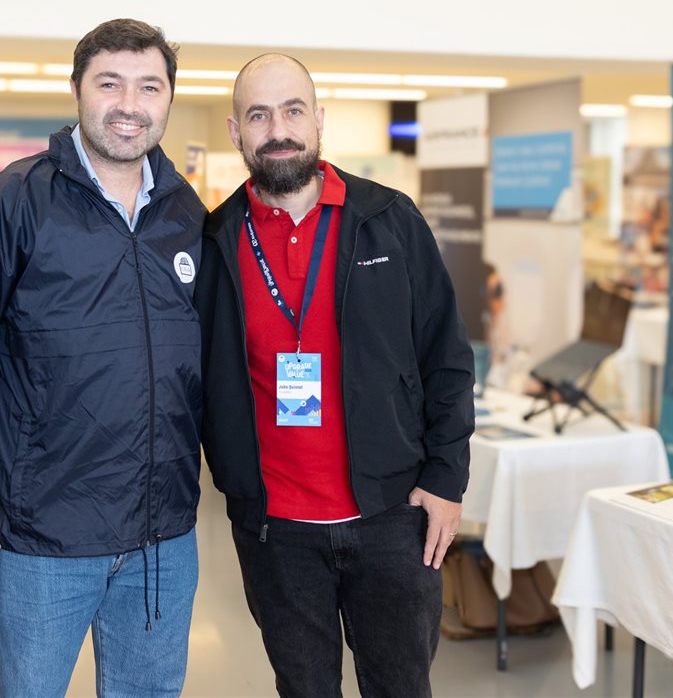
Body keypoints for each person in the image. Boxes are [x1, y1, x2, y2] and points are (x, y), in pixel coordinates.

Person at [0, 18, 206, 697]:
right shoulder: (13, 201)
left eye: (148, 87)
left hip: (162, 535)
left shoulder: (185, 213)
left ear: (168, 99)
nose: (128, 104)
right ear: (77, 91)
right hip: (42, 534)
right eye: (110, 83)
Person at [194, 54, 474, 697]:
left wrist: (445, 480)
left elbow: (448, 359)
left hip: (391, 520)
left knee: (401, 688)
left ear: (318, 121)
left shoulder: (389, 220)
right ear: (236, 132)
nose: (279, 129)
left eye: (293, 110)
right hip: (275, 532)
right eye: (259, 115)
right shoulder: (216, 239)